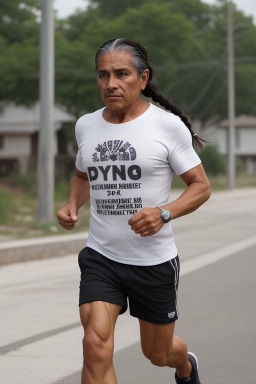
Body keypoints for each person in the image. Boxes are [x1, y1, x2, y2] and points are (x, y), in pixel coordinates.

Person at [57, 38, 211, 384]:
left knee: (157, 354)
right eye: (103, 75)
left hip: (152, 261)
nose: (110, 83)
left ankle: (185, 366)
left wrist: (164, 213)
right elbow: (82, 176)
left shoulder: (166, 126)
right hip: (102, 255)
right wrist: (72, 204)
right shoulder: (87, 125)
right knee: (94, 344)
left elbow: (201, 187)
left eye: (121, 74)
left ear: (142, 78)